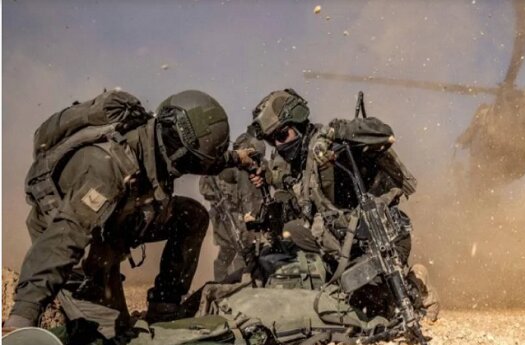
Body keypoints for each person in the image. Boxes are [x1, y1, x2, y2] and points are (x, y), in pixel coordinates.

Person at [5, 89, 256, 330]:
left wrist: (236, 158)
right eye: (191, 160)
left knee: (191, 215)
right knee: (111, 339)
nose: (193, 166)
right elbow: (63, 239)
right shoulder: (108, 170)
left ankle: (164, 306)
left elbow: (199, 161)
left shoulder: (160, 138)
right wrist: (24, 314)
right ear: (178, 149)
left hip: (113, 223)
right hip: (76, 241)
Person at [249, 88, 439, 321]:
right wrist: (266, 178)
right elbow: (287, 186)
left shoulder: (331, 144)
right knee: (292, 240)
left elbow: (383, 133)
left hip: (378, 241)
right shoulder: (298, 165)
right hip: (341, 248)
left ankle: (418, 285)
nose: (278, 145)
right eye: (272, 141)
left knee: (377, 311)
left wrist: (336, 131)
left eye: (281, 136)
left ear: (298, 124)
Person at [199, 133, 266, 283]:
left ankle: (242, 281)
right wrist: (220, 201)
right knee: (227, 252)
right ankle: (222, 283)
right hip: (225, 216)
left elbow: (252, 196)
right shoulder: (224, 167)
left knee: (246, 251)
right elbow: (204, 188)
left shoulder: (253, 170)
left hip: (244, 216)